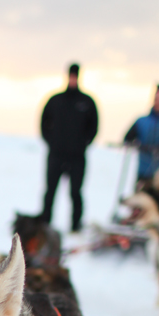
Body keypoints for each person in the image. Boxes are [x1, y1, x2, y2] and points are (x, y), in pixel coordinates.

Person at [40, 63, 98, 232]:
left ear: (78, 77)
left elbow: (93, 127)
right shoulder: (55, 100)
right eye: (70, 75)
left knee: (75, 192)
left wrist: (83, 144)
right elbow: (44, 122)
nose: (72, 79)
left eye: (75, 76)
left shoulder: (86, 102)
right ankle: (45, 223)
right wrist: (51, 142)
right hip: (56, 154)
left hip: (77, 156)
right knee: (50, 191)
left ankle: (75, 225)